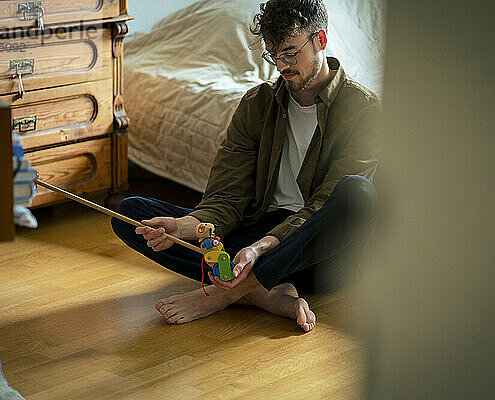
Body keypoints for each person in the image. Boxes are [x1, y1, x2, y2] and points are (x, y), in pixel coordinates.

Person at [111, 0, 379, 332]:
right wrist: (184, 227)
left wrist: (259, 248)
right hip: (256, 232)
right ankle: (267, 291)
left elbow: (322, 205)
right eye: (273, 55)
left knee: (358, 194)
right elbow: (226, 196)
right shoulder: (256, 104)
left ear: (320, 40)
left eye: (291, 53)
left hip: (317, 252)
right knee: (131, 213)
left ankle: (230, 292)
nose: (282, 66)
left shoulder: (365, 111)